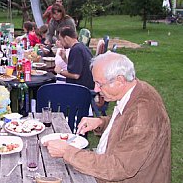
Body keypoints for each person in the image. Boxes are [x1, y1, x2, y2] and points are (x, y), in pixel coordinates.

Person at [44, 52, 171, 183]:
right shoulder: (137, 90)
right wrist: (101, 122)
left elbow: (118, 167)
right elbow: (127, 121)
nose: (96, 89)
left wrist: (67, 151)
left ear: (120, 81)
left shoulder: (143, 114)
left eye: (99, 84)